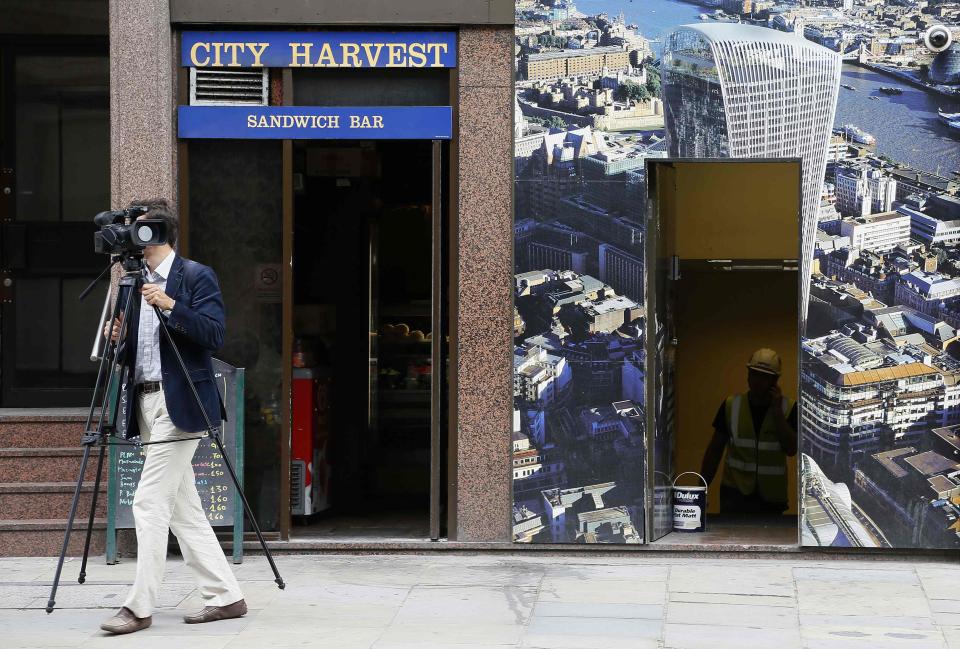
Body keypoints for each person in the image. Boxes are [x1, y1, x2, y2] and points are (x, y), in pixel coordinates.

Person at [99, 199, 246, 635]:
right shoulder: (129, 284)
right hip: (144, 401)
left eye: (138, 230)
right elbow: (139, 355)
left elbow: (214, 335)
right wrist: (118, 338)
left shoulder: (194, 276)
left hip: (181, 404)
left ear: (158, 233)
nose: (130, 238)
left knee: (147, 502)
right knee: (185, 509)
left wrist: (169, 304)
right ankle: (226, 596)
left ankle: (138, 607)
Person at [700, 348, 798, 515]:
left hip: (771, 499)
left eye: (764, 376)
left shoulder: (788, 408)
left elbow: (791, 449)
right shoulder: (731, 405)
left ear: (775, 381)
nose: (757, 381)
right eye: (754, 374)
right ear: (748, 375)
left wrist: (777, 412)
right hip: (734, 494)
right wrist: (701, 490)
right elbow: (714, 450)